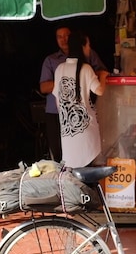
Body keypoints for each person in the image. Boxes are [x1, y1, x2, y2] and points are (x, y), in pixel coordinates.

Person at [39, 25, 107, 161]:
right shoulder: (53, 61)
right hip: (78, 121)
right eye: (59, 37)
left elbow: (57, 98)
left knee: (68, 160)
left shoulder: (60, 68)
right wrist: (95, 78)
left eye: (66, 36)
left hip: (66, 121)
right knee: (83, 158)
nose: (64, 39)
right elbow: (100, 90)